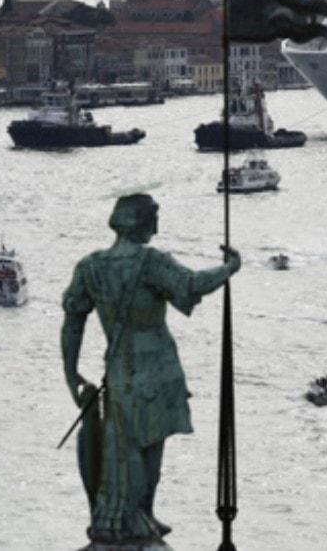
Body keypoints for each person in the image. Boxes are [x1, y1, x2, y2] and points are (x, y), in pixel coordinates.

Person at [61, 193, 240, 544]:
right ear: (141, 223)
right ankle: (138, 514)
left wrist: (70, 374)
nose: (157, 228)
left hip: (119, 371)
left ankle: (129, 516)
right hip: (157, 369)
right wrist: (230, 268)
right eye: (154, 220)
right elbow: (192, 285)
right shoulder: (152, 262)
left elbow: (72, 322)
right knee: (149, 447)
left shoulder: (90, 266)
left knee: (122, 446)